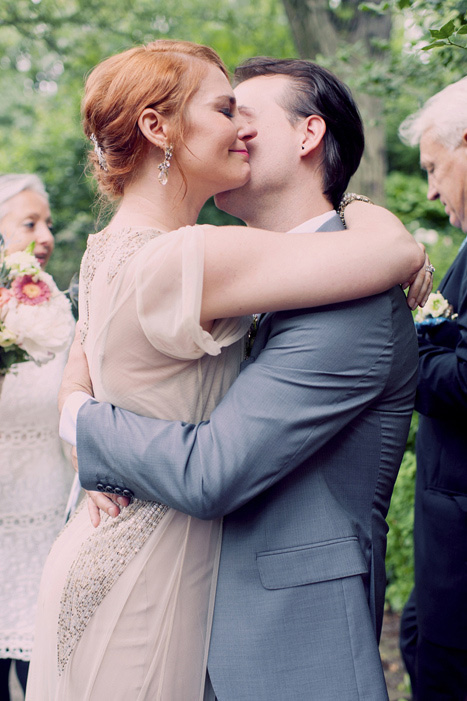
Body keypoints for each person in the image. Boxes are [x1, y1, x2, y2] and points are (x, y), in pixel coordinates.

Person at [53, 49, 432, 701]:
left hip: (286, 646)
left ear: (308, 135)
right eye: (221, 113)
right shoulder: (235, 272)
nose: (230, 132)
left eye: (242, 116)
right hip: (176, 613)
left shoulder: (353, 294)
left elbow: (213, 469)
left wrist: (79, 420)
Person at [397, 78, 467, 701]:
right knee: (416, 642)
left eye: (434, 168)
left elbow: (465, 381)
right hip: (447, 548)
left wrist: (409, 342)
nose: (432, 189)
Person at [0, 174, 75, 701]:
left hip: (50, 506)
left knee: (43, 668)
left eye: (46, 223)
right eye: (30, 224)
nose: (45, 235)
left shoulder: (58, 304)